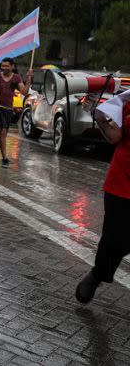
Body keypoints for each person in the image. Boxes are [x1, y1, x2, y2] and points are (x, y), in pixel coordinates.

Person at [76, 100, 130, 303]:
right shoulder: (128, 102)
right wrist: (100, 118)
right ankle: (98, 275)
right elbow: (115, 136)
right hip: (122, 183)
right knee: (114, 238)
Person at [0, 57, 32, 167]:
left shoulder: (16, 78)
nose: (4, 68)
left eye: (6, 66)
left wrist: (29, 78)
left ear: (12, 66)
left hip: (9, 109)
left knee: (2, 133)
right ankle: (5, 158)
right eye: (3, 65)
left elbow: (24, 92)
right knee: (3, 132)